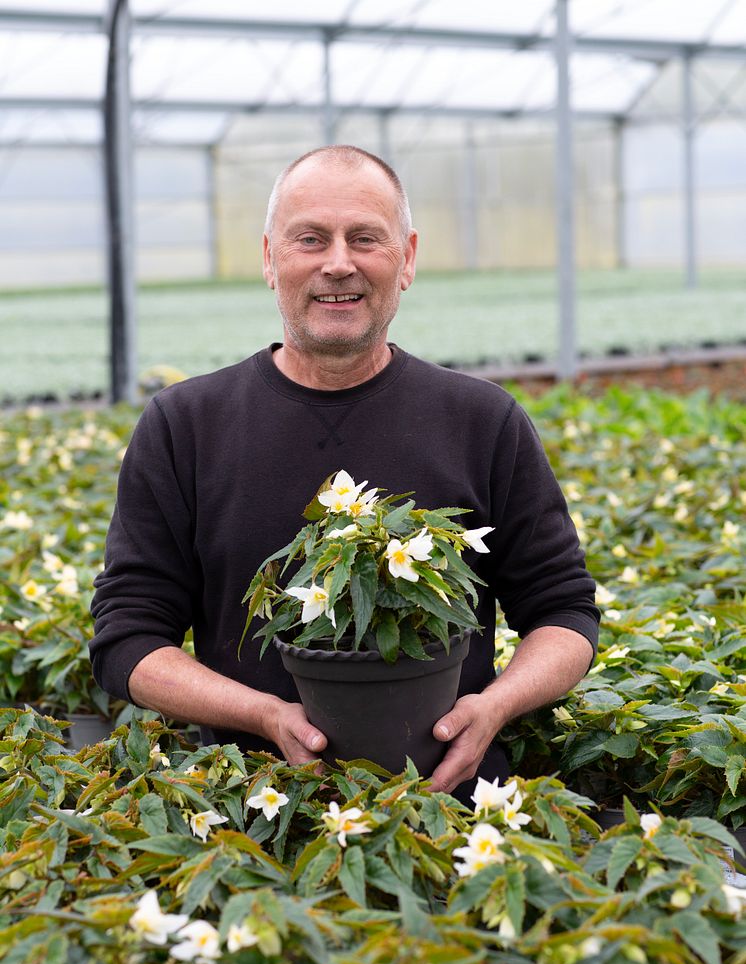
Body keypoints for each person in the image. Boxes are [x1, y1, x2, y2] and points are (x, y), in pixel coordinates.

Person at [90, 144, 599, 798]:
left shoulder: (483, 420)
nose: (338, 263)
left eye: (366, 238)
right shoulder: (184, 424)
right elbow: (126, 640)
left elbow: (564, 612)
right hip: (247, 816)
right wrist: (263, 714)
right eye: (310, 239)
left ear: (407, 258)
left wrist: (494, 705)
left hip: (452, 808)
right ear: (269, 259)